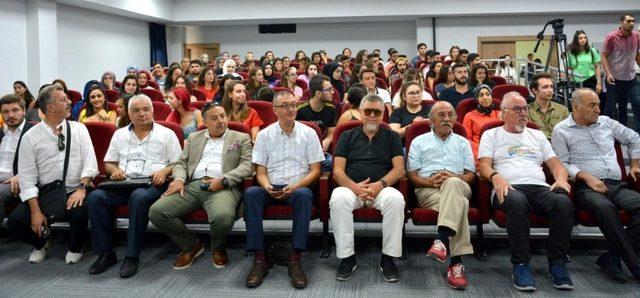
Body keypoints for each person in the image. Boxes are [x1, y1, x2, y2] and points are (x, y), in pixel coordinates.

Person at [477, 91, 574, 292]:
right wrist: (496, 177)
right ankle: (521, 264)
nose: (523, 113)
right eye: (517, 109)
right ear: (503, 113)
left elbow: (556, 165)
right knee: (518, 201)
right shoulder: (491, 134)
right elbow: (483, 166)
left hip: (539, 188)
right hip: (508, 187)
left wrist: (561, 179)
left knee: (563, 203)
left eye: (525, 109)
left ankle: (557, 262)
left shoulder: (537, 135)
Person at [85, 94, 181, 278]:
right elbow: (109, 163)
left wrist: (164, 171)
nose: (141, 114)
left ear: (153, 111)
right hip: (123, 183)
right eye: (136, 110)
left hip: (151, 184)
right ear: (129, 114)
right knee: (96, 197)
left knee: (139, 197)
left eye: (146, 109)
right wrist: (114, 171)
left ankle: (132, 255)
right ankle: (106, 253)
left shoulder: (166, 134)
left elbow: (178, 164)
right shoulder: (119, 134)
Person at [149, 102, 253, 270]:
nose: (220, 121)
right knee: (157, 212)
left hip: (222, 186)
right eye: (214, 118)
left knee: (223, 218)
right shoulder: (194, 138)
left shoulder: (240, 138)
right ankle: (191, 245)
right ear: (204, 121)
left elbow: (247, 166)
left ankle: (218, 247)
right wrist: (179, 180)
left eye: (222, 116)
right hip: (192, 185)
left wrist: (224, 180)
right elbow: (181, 162)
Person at [551, 88, 640, 282]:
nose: (598, 109)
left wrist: (634, 164)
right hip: (586, 189)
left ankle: (612, 257)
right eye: (592, 105)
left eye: (598, 104)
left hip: (617, 186)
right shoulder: (561, 130)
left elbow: (634, 138)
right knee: (605, 208)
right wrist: (585, 176)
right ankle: (635, 264)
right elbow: (562, 163)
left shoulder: (607, 123)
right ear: (576, 107)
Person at [8, 85, 98, 264]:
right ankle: (41, 243)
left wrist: (82, 188)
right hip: (47, 192)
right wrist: (35, 211)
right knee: (16, 221)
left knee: (78, 212)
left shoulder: (79, 129)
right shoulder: (30, 137)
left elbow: (90, 163)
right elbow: (26, 177)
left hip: (75, 189)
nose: (69, 102)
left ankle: (75, 247)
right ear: (50, 107)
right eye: (63, 99)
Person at [242, 91, 324, 289]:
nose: (291, 109)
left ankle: (295, 259)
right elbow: (260, 171)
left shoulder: (309, 133)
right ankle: (260, 258)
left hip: (298, 187)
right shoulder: (264, 135)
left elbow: (315, 170)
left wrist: (295, 186)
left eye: (294, 105)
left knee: (305, 195)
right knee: (251, 193)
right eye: (286, 105)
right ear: (275, 110)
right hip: (271, 187)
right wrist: (267, 186)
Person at [330, 94, 405, 282]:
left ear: (383, 115)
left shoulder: (392, 137)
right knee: (338, 199)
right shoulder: (346, 136)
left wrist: (379, 185)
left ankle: (388, 258)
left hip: (381, 189)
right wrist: (355, 188)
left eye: (377, 112)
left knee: (396, 200)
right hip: (351, 188)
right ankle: (347, 257)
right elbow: (337, 172)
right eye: (368, 111)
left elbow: (399, 169)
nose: (372, 115)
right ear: (361, 113)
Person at [407, 101, 475, 290]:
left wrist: (453, 177)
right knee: (459, 204)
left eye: (450, 115)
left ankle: (442, 240)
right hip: (429, 189)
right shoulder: (418, 142)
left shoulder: (463, 142)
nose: (447, 119)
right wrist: (431, 182)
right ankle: (456, 264)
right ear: (431, 120)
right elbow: (412, 175)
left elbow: (470, 175)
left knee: (453, 184)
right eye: (441, 115)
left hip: (460, 185)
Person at [601, 13, 640, 131]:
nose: (631, 23)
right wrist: (608, 74)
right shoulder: (611, 37)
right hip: (615, 79)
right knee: (610, 107)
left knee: (637, 102)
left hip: (631, 78)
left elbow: (637, 54)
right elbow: (603, 55)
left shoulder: (636, 36)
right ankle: (603, 131)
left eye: (633, 21)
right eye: (628, 21)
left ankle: (635, 133)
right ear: (621, 22)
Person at [0, 94, 33, 225]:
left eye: (15, 110)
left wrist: (21, 175)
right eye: (5, 112)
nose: (10, 115)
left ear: (24, 111)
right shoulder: (1, 133)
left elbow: (44, 163)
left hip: (18, 182)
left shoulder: (34, 132)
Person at [296, 75, 336, 152]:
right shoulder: (300, 110)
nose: (333, 92)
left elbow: (332, 132)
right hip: (302, 149)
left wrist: (326, 141)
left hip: (321, 150)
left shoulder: (331, 109)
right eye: (329, 90)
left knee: (330, 162)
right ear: (318, 93)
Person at [462, 84, 501, 159]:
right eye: (481, 95)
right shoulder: (469, 116)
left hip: (498, 151)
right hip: (478, 152)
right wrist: (483, 152)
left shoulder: (499, 114)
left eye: (488, 94)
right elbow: (467, 140)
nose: (485, 98)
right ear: (477, 99)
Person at [527, 73, 569, 139]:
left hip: (558, 145)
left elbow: (566, 133)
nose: (550, 90)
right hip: (537, 147)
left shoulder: (563, 110)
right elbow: (529, 135)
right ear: (534, 90)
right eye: (545, 87)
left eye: (551, 86)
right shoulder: (526, 111)